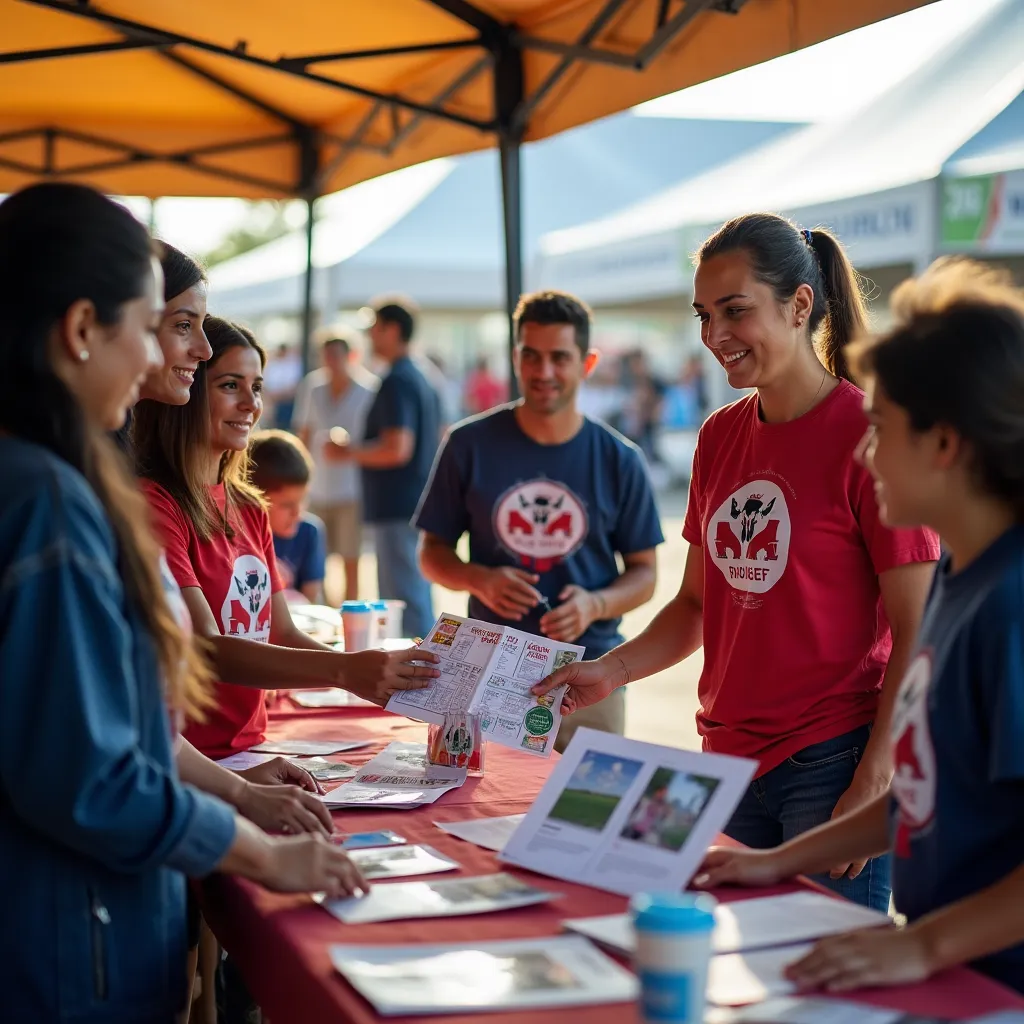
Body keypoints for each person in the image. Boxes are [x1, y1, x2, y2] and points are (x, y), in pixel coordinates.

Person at [0, 183, 366, 1023]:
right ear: (83, 330)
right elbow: (94, 774)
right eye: (155, 324)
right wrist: (259, 855)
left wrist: (236, 801)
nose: (176, 355)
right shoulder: (47, 505)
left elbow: (122, 727)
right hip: (64, 946)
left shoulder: (47, 482)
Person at [534, 215, 940, 911]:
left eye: (734, 310)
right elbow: (697, 604)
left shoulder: (869, 433)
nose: (713, 334)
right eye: (703, 313)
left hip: (832, 763)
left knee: (821, 991)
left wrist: (876, 775)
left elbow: (919, 631)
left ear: (801, 305)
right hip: (722, 765)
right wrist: (611, 669)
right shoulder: (719, 436)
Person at [696, 258, 1024, 995]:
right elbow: (926, 787)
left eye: (880, 431)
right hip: (954, 971)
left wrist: (923, 946)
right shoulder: (963, 584)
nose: (866, 453)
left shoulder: (1008, 606)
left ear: (945, 446)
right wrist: (781, 859)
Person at [133, 315, 438, 760]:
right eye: (230, 386)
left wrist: (366, 675)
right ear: (188, 388)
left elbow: (280, 629)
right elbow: (208, 649)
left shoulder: (251, 506)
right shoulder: (154, 505)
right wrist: (345, 669)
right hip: (193, 759)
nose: (251, 405)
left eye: (256, 387)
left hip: (251, 747)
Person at [416, 290, 663, 750]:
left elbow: (646, 575)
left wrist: (595, 604)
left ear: (587, 363)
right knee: (481, 813)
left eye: (559, 358)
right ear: (515, 358)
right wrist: (479, 578)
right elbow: (431, 553)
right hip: (489, 675)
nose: (543, 372)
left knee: (584, 816)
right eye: (531, 356)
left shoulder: (620, 458)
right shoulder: (467, 444)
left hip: (590, 678)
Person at [333, 298, 442, 638]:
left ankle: (419, 678)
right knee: (409, 596)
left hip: (399, 504)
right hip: (410, 502)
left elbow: (397, 449)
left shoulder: (399, 378)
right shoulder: (418, 374)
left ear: (392, 330)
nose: (369, 338)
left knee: (403, 604)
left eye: (375, 330)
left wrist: (347, 451)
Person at [292, 328, 376, 603]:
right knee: (318, 558)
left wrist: (348, 450)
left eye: (336, 355)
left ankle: (351, 612)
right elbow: (303, 432)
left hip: (353, 487)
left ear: (350, 356)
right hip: (319, 485)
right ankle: (325, 612)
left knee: (351, 558)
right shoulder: (313, 386)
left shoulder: (369, 389)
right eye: (326, 356)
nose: (331, 362)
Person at [250, 429, 327, 603]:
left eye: (302, 501)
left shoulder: (309, 532)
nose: (297, 513)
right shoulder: (243, 538)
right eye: (286, 505)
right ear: (254, 501)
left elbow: (312, 599)